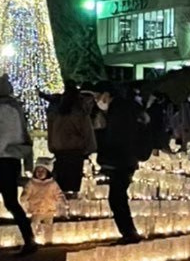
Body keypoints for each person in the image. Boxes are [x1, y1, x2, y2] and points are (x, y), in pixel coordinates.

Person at [0, 76, 36, 256]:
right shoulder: (14, 107)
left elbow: (2, 137)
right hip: (11, 160)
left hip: (4, 160)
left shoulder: (4, 109)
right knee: (10, 202)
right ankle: (28, 239)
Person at [95, 83, 148, 242]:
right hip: (125, 160)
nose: (97, 100)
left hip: (121, 161)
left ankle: (129, 233)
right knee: (118, 198)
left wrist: (106, 158)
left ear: (107, 94)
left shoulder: (118, 111)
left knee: (117, 198)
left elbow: (116, 138)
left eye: (98, 96)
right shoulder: (123, 108)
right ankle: (129, 232)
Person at [48, 83, 97, 196]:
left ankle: (62, 200)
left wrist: (52, 145)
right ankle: (73, 199)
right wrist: (90, 147)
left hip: (60, 148)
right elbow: (86, 129)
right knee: (74, 181)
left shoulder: (56, 110)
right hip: (76, 149)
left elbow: (51, 130)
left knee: (61, 180)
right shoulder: (80, 110)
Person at [21, 160, 68, 232]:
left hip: (49, 209)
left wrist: (63, 201)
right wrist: (24, 198)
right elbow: (27, 191)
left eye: (42, 171)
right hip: (36, 209)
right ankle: (32, 236)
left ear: (47, 172)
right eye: (38, 171)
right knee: (34, 225)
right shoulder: (32, 183)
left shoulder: (52, 183)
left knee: (48, 227)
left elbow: (58, 193)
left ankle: (48, 237)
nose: (40, 173)